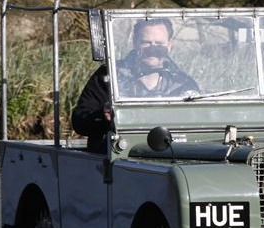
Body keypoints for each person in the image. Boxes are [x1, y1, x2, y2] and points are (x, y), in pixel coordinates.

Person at [71, 17, 199, 149]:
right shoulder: (110, 75)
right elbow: (80, 122)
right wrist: (103, 115)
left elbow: (199, 124)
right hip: (119, 156)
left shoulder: (183, 83)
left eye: (159, 43)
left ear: (170, 44)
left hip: (171, 156)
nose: (152, 49)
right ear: (135, 42)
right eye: (146, 42)